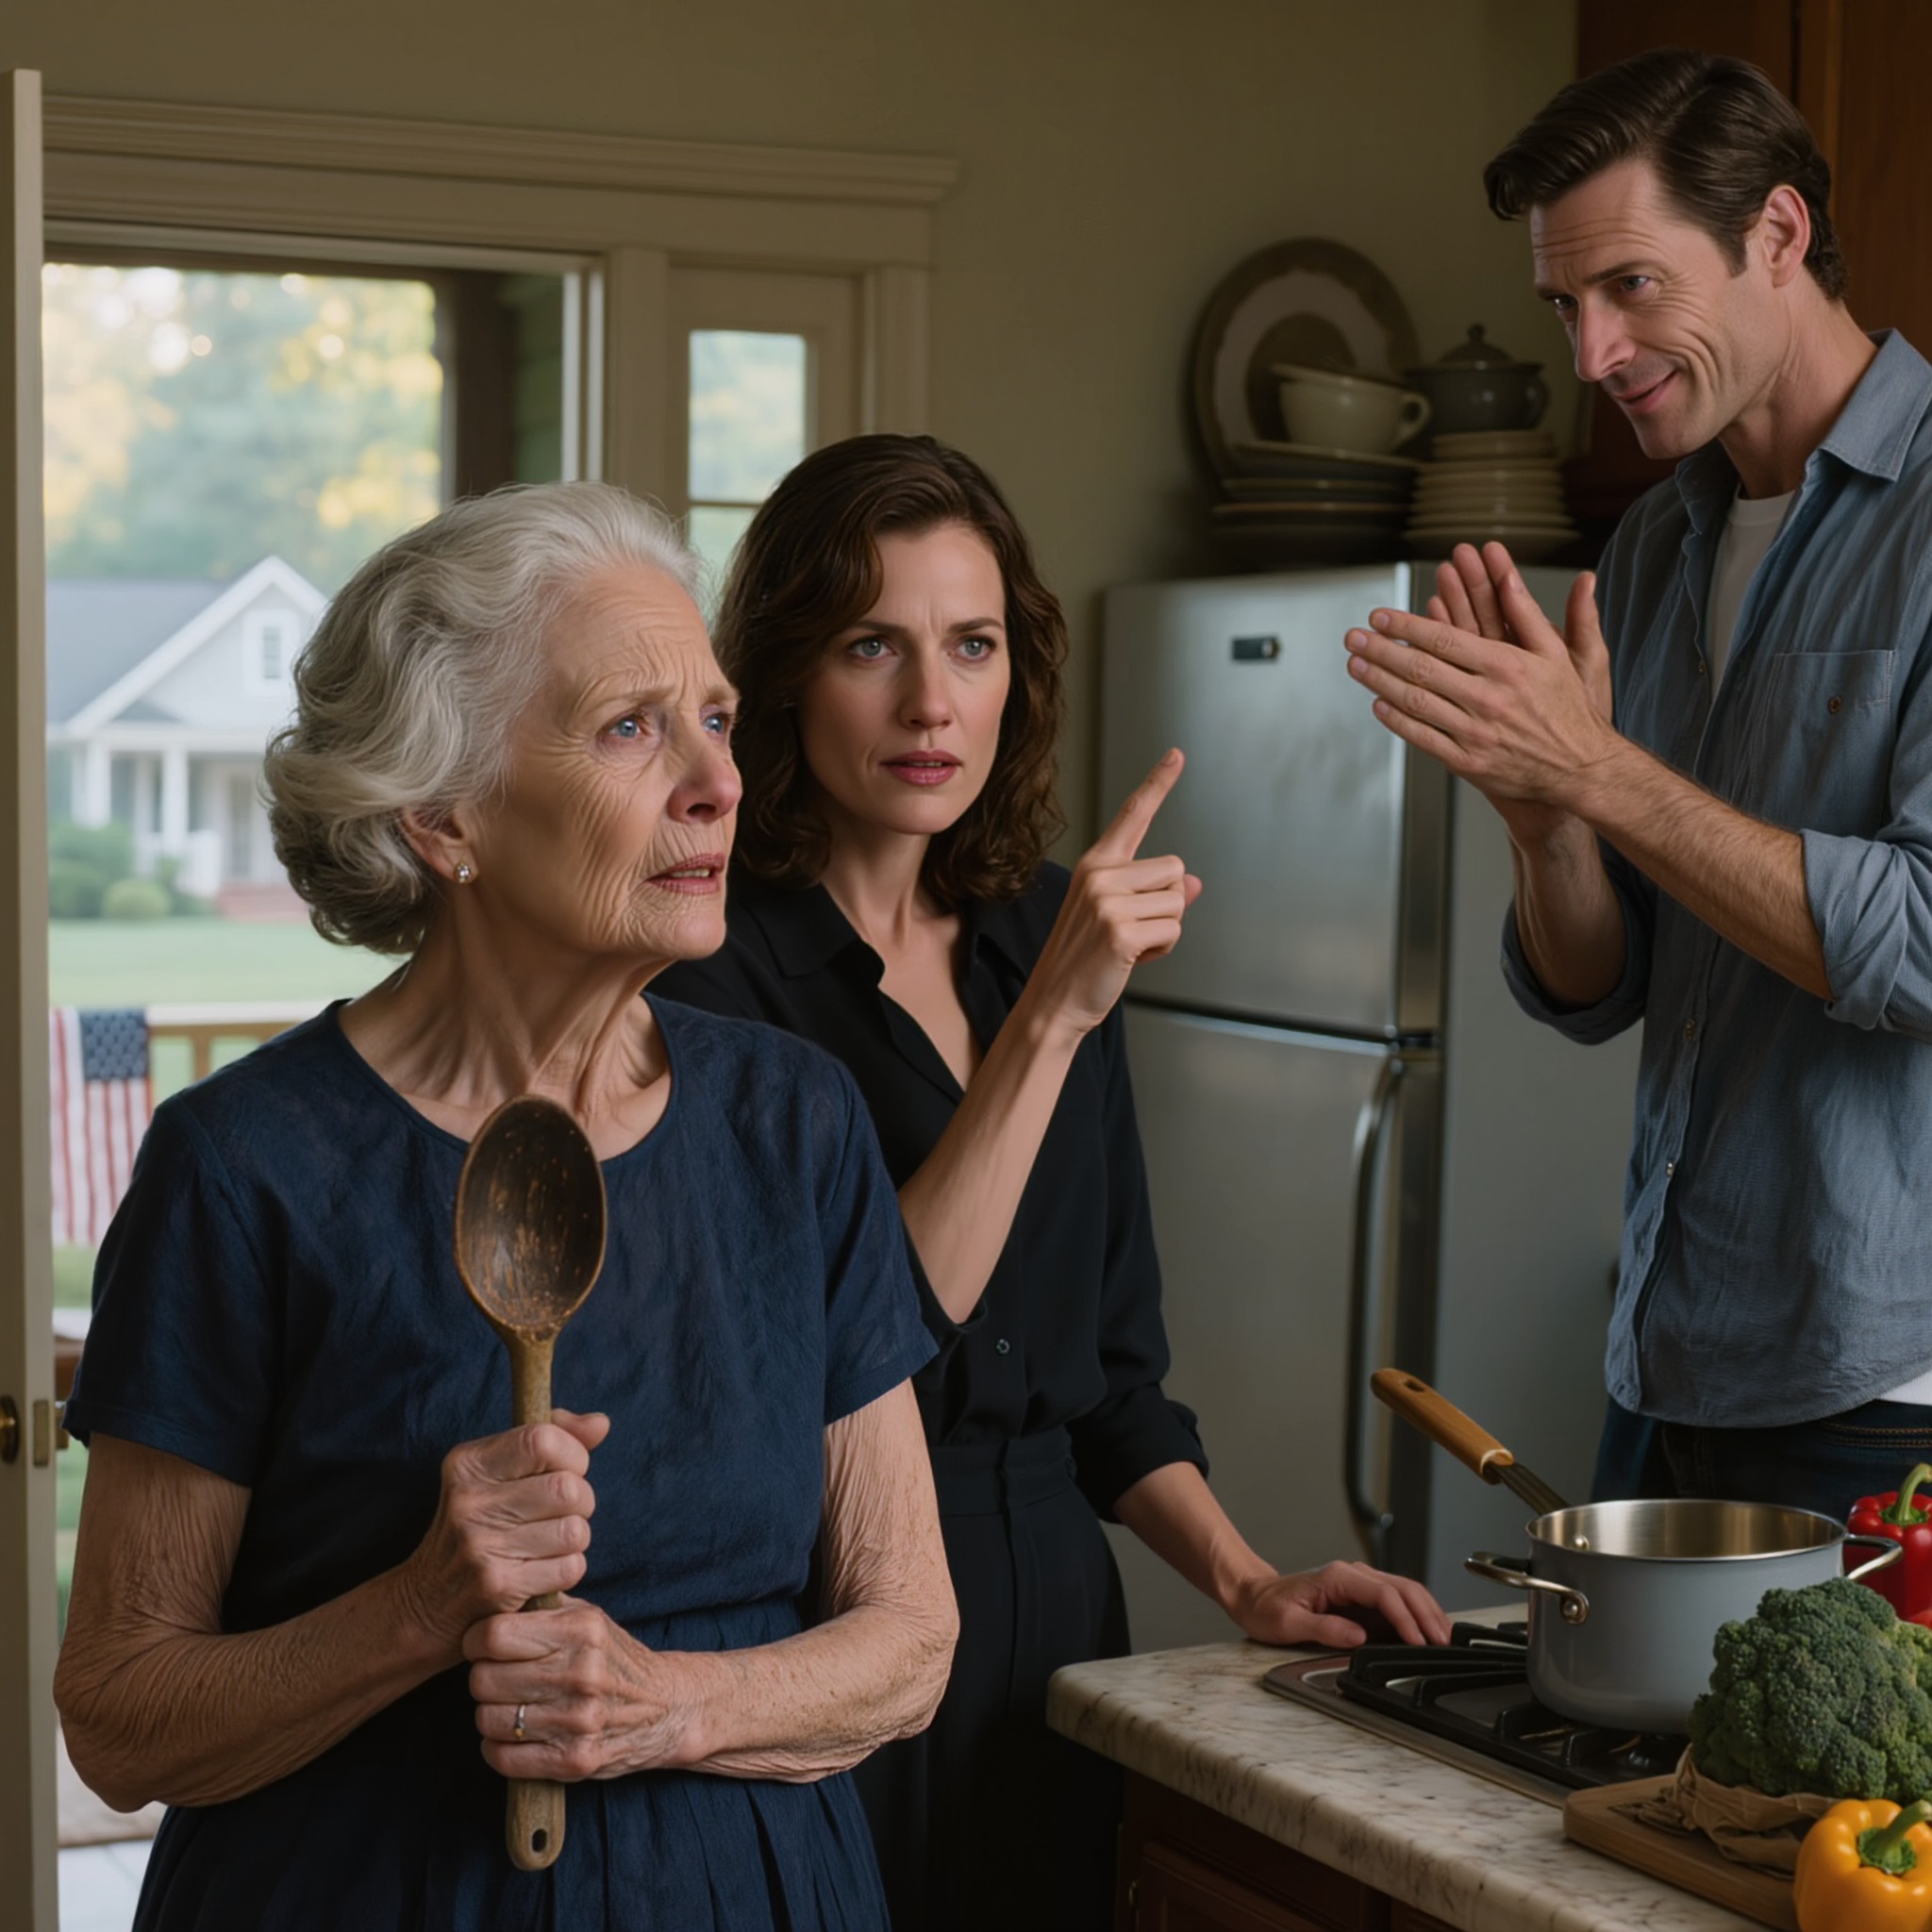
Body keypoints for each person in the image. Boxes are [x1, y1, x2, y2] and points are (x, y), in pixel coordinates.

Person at [54, 483, 958, 1932]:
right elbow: (119, 1714)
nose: (718, 783)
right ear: (444, 813)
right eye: (628, 728)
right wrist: (418, 1608)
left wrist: (665, 1707)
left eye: (715, 719)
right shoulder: (242, 1164)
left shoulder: (793, 1123)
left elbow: (912, 1638)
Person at [657, 433, 1450, 1930]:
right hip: (826, 1634)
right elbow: (856, 1344)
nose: (930, 703)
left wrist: (1245, 1581)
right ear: (777, 678)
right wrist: (1057, 1021)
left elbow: (1112, 1380)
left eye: (971, 644)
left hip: (1059, 1647)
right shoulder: (714, 989)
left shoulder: (1041, 930)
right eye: (870, 646)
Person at [1342, 48, 1932, 1522]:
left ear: (1778, 237)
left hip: (1886, 1390)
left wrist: (1600, 773)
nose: (1592, 353)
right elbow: (1604, 988)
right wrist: (1550, 828)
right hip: (1671, 1349)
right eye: (1565, 303)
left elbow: (1923, 939)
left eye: (1633, 288)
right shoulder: (1663, 543)